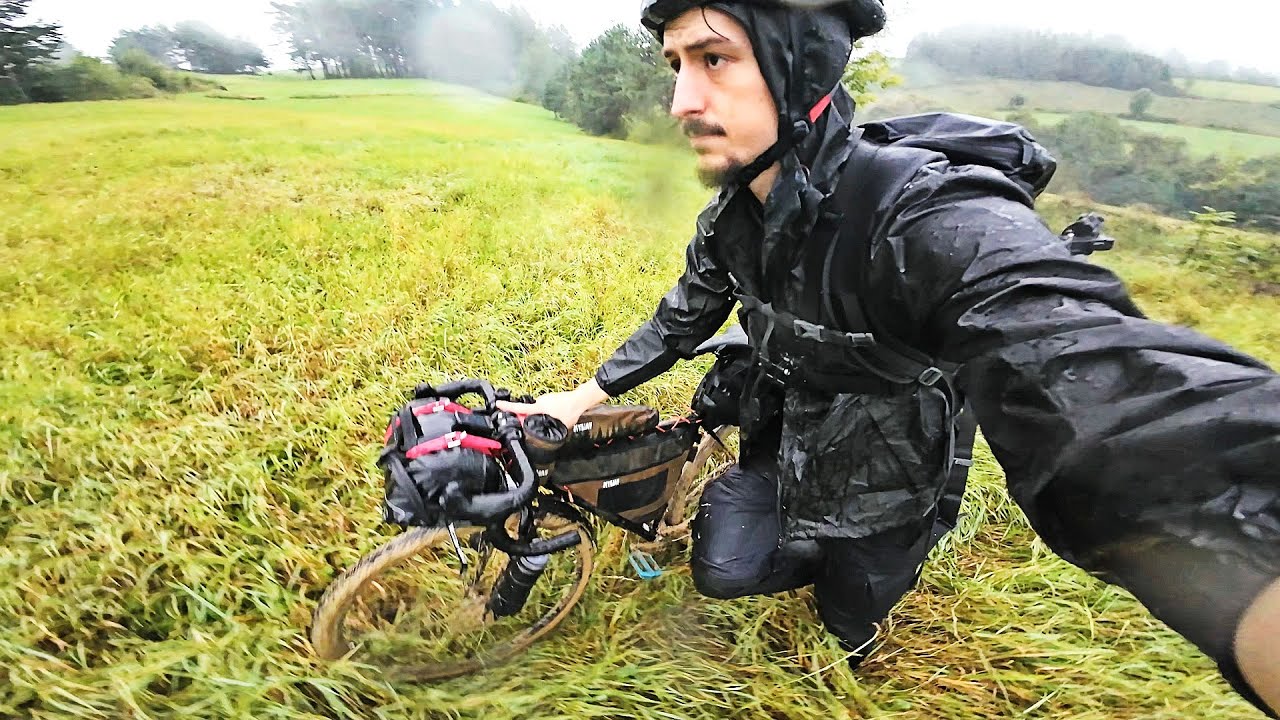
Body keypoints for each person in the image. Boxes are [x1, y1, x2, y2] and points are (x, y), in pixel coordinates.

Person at [497, 1, 1280, 714]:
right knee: (725, 570)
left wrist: (1247, 555)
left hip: (892, 463)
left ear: (800, 64)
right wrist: (580, 395)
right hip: (785, 434)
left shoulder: (922, 211)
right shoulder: (732, 217)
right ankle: (813, 551)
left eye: (715, 59)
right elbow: (682, 316)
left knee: (852, 611)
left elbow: (1096, 380)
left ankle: (858, 620)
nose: (683, 102)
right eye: (675, 67)